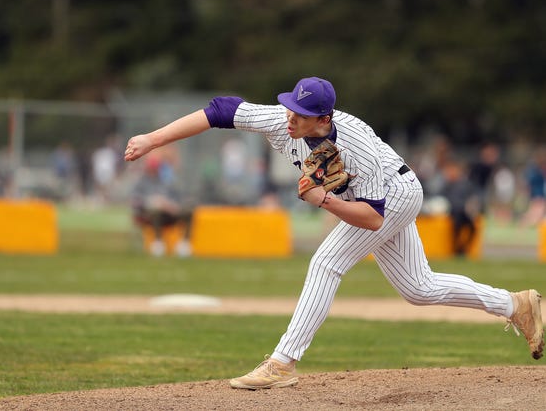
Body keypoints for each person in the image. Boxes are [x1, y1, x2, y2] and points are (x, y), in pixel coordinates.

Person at [124, 76, 544, 389]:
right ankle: (515, 304)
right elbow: (219, 110)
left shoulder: (357, 145)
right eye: (289, 106)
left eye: (301, 115)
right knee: (419, 288)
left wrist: (323, 200)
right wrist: (151, 139)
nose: (290, 117)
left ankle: (283, 362)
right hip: (373, 200)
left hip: (393, 195)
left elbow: (373, 218)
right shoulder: (279, 119)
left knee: (326, 261)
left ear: (323, 119)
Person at [131, 153, 193, 257]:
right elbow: (135, 200)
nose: (154, 170)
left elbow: (178, 196)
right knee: (155, 210)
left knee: (188, 210)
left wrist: (172, 204)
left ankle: (184, 244)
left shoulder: (167, 180)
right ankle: (158, 243)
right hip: (150, 215)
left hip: (169, 212)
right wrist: (152, 202)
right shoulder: (141, 182)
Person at [441, 160, 480, 257]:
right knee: (457, 228)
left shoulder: (465, 184)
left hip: (464, 212)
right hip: (454, 212)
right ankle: (457, 249)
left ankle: (463, 248)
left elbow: (473, 197)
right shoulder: (447, 185)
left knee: (472, 228)